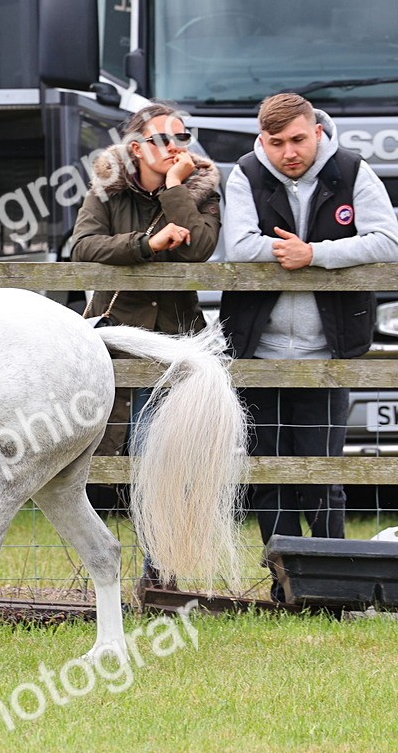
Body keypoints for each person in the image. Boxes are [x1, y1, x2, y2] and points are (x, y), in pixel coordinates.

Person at [219, 93, 398, 602]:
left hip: (329, 353)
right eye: (275, 143)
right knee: (268, 477)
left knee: (325, 476)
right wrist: (301, 255)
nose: (288, 152)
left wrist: (313, 253)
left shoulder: (352, 169)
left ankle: (335, 589)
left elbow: (388, 240)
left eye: (297, 139)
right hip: (259, 353)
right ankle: (285, 587)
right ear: (262, 140)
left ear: (316, 130)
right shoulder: (246, 174)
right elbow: (241, 247)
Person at [70, 102, 222, 595]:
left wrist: (176, 188)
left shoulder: (201, 187)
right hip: (117, 341)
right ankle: (97, 568)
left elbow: (200, 246)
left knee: (168, 457)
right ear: (136, 148)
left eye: (183, 135)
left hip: (178, 344)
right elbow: (84, 247)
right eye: (163, 138)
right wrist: (146, 245)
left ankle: (163, 573)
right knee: (106, 458)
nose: (176, 146)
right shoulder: (107, 188)